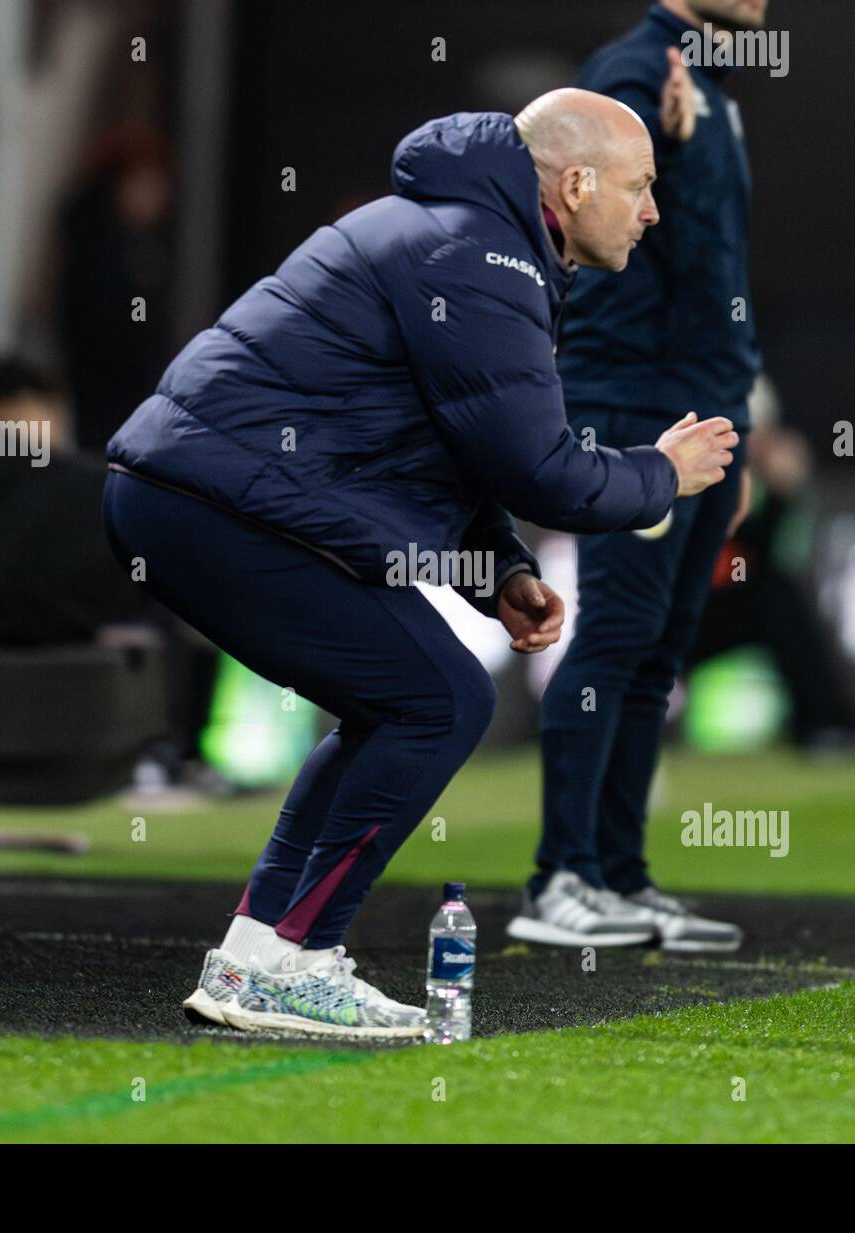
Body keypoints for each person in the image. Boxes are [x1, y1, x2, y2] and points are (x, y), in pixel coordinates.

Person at [103, 91, 738, 1037]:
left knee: (403, 698)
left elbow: (452, 446)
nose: (652, 212)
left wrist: (499, 571)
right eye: (642, 187)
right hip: (210, 500)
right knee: (438, 699)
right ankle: (288, 961)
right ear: (574, 182)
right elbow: (539, 469)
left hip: (192, 493)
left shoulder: (472, 233)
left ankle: (258, 958)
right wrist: (662, 473)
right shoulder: (481, 254)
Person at [511, 0, 766, 953]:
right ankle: (561, 876)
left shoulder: (708, 83)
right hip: (637, 399)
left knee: (658, 649)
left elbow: (716, 273)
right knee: (620, 637)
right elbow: (607, 241)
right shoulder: (637, 75)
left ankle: (619, 873)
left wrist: (737, 416)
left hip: (696, 400)